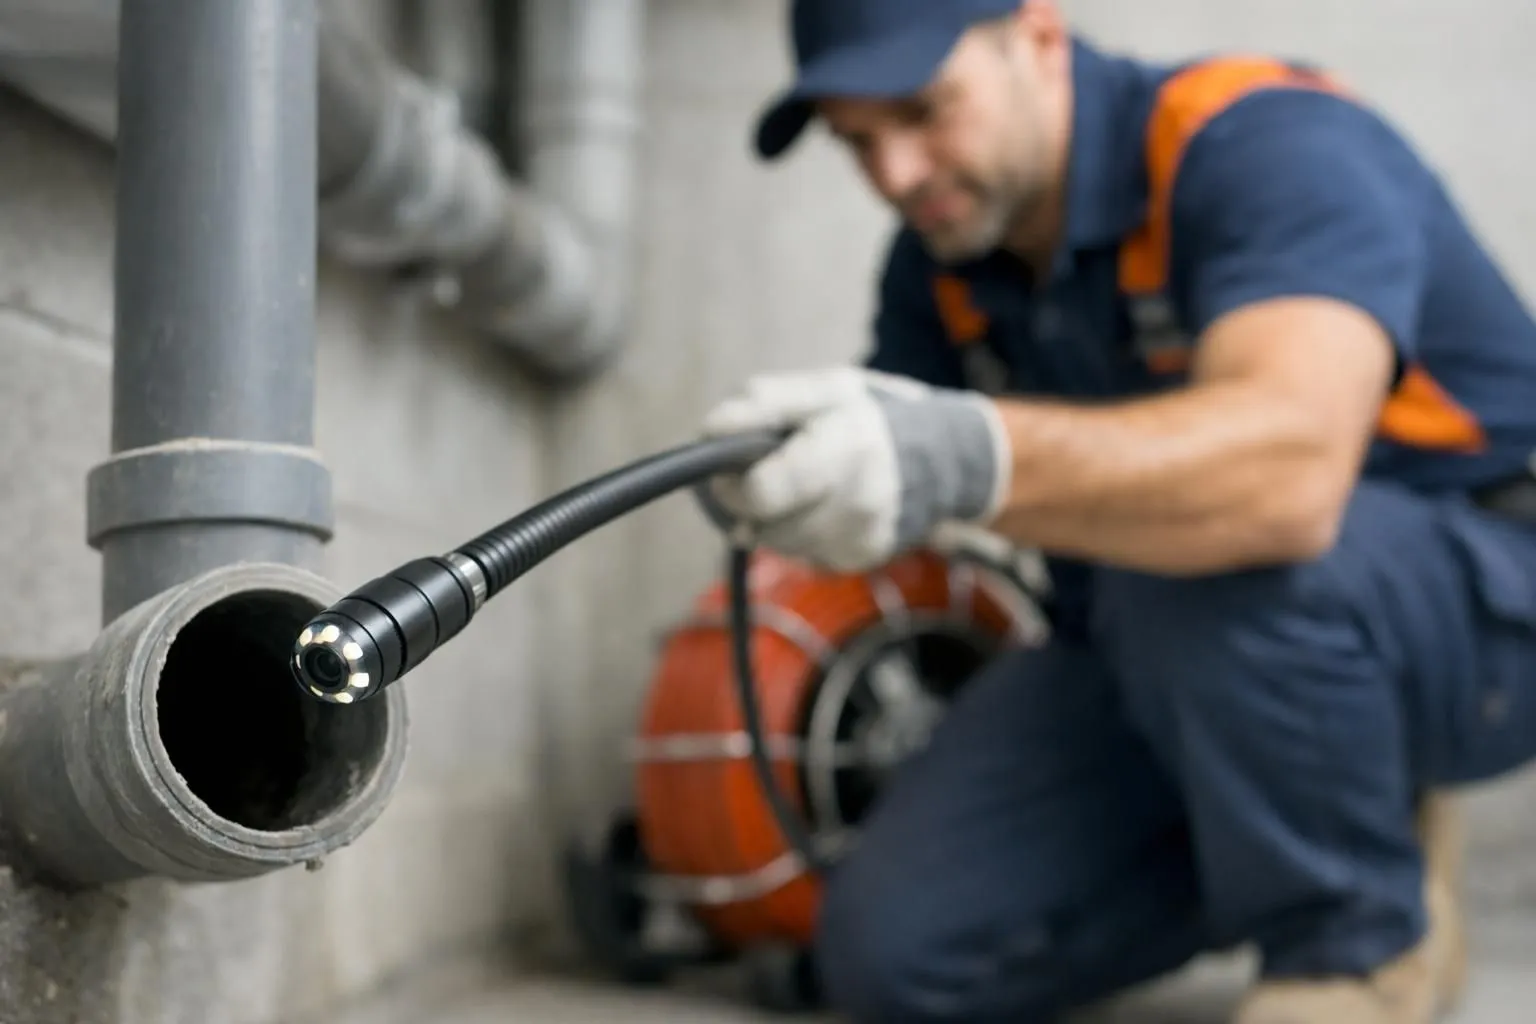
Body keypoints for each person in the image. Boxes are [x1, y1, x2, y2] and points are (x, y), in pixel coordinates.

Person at [696, 1, 1536, 1022]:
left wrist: (974, 453)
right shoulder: (945, 267)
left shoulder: (1265, 143)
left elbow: (1288, 478)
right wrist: (798, 478)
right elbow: (897, 485)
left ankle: (1356, 942)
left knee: (1202, 545)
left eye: (925, 110)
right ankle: (1328, 817)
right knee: (895, 954)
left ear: (1038, 39)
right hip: (1169, 648)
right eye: (858, 142)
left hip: (1482, 604)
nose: (896, 175)